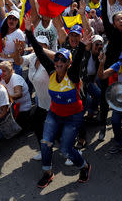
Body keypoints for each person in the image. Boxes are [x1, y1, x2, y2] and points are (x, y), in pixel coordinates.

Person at [24, 14, 92, 188]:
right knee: (45, 143)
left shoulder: (73, 74)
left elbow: (76, 61)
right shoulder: (52, 70)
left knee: (66, 150)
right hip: (54, 115)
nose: (58, 62)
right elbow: (39, 51)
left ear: (68, 63)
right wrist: (28, 31)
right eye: (57, 59)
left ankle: (84, 167)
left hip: (73, 117)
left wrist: (83, 45)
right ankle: (47, 173)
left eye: (63, 60)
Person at [13, 35, 52, 160]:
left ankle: (71, 153)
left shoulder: (50, 61)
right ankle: (44, 151)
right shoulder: (32, 57)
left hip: (55, 103)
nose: (38, 47)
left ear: (47, 47)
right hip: (41, 102)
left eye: (42, 45)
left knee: (58, 131)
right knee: (37, 125)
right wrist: (16, 50)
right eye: (37, 44)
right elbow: (18, 61)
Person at [81, 35, 109, 141]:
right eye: (96, 44)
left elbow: (97, 74)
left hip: (89, 82)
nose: (99, 47)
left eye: (101, 45)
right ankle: (78, 122)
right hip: (80, 82)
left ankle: (90, 115)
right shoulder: (86, 53)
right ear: (91, 44)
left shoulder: (98, 57)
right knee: (87, 99)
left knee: (99, 94)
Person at [0, 61, 31, 132]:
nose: (2, 73)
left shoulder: (16, 79)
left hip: (22, 108)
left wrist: (5, 98)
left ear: (10, 70)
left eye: (4, 71)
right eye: (0, 71)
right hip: (13, 106)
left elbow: (19, 94)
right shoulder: (2, 80)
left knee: (19, 131)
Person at [0, 10, 25, 75]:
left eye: (14, 19)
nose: (11, 21)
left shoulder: (19, 34)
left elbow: (21, 52)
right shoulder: (1, 30)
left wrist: (6, 56)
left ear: (17, 21)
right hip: (0, 62)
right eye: (10, 18)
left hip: (13, 64)